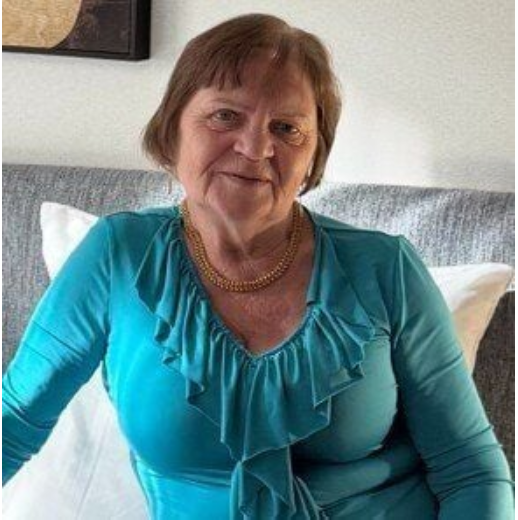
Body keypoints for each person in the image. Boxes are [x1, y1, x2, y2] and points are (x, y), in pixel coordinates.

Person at [2, 13, 514, 520]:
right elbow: (15, 421)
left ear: (313, 156)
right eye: (225, 116)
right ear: (172, 128)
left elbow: (469, 468)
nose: (255, 148)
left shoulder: (386, 268)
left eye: (286, 128)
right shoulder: (118, 254)